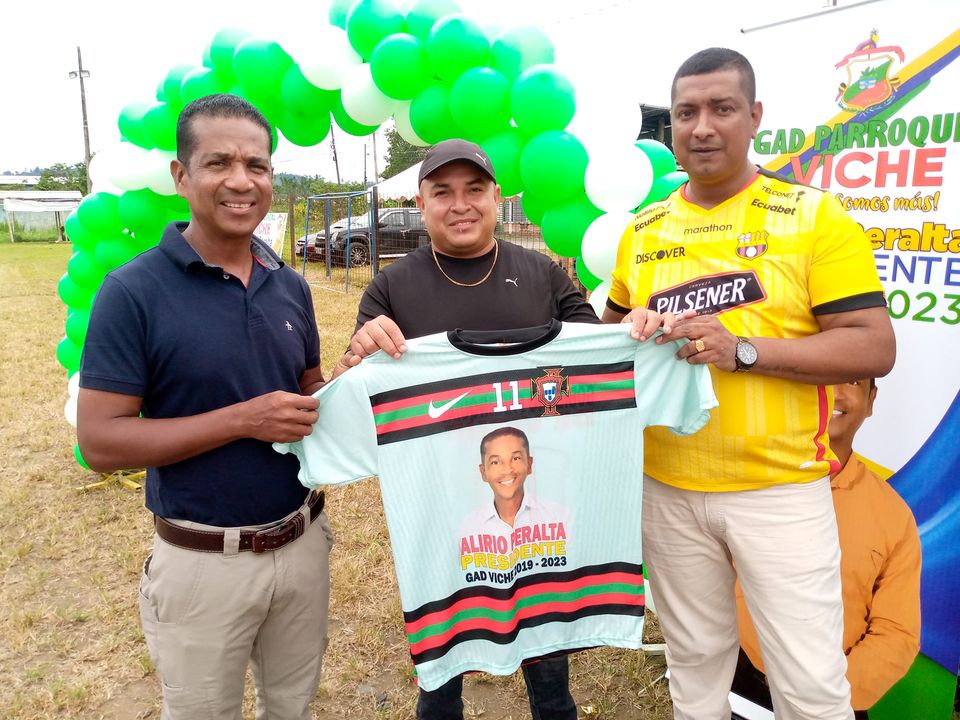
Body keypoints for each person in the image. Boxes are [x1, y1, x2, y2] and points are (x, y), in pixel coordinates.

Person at [601, 48, 896, 720]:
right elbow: (608, 337)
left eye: (722, 108)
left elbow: (874, 346)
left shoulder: (814, 217)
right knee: (695, 668)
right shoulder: (642, 231)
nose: (702, 126)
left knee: (811, 685)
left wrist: (742, 351)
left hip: (780, 491)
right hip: (667, 490)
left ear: (755, 116)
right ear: (671, 126)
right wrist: (632, 327)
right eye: (686, 113)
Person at [77, 94, 332, 720]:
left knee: (292, 708)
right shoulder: (132, 291)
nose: (242, 181)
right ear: (181, 175)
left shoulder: (289, 284)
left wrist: (355, 380)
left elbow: (309, 393)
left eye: (257, 165)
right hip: (202, 562)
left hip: (302, 545)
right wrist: (244, 420)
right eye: (219, 163)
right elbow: (101, 442)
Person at [336, 139, 601, 720]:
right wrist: (355, 358)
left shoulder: (543, 275)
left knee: (547, 654)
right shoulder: (391, 289)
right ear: (421, 203)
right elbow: (356, 393)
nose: (460, 205)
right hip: (438, 505)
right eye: (442, 192)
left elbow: (599, 359)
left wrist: (641, 333)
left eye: (474, 190)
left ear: (496, 196)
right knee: (444, 656)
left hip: (535, 496)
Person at [734, 377, 921, 717]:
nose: (834, 391)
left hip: (837, 700)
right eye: (823, 377)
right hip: (736, 682)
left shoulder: (894, 517)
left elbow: (897, 633)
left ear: (871, 400)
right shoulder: (746, 477)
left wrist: (828, 696)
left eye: (851, 380)